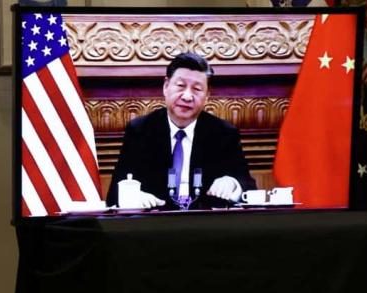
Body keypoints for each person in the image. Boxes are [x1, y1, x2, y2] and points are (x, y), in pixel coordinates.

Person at [106, 52, 256, 209]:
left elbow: (249, 187)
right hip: (154, 221)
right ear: (166, 86)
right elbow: (114, 193)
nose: (187, 96)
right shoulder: (140, 130)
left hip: (206, 222)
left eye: (197, 89)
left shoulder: (223, 133)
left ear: (207, 95)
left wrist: (233, 184)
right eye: (180, 86)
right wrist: (131, 196)